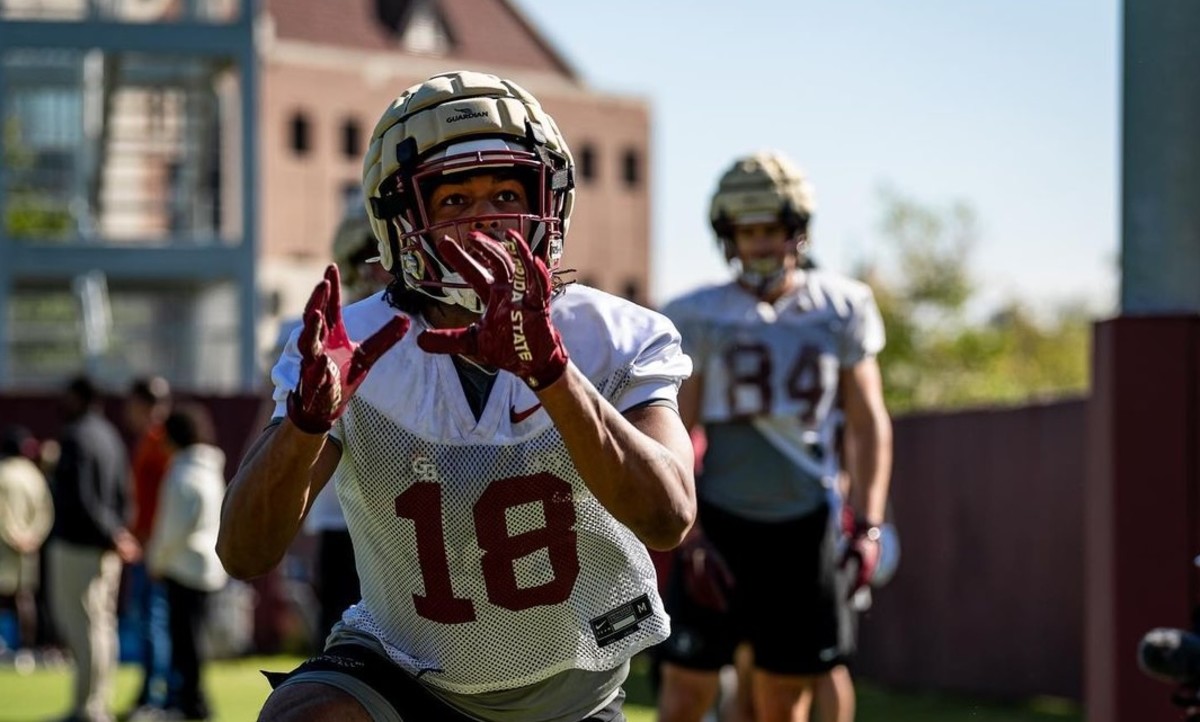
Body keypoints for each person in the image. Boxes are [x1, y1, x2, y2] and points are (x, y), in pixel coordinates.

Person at [216, 69, 697, 722]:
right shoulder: (356, 343)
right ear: (401, 221)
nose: (486, 224)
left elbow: (668, 517)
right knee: (304, 716)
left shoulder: (612, 336)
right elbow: (245, 554)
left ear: (549, 202)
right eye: (454, 202)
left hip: (575, 685)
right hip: (407, 670)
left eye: (505, 192)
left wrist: (553, 374)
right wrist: (305, 421)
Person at [655, 151, 895, 722]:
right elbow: (677, 431)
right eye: (749, 231)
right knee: (686, 690)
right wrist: (689, 537)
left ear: (798, 232)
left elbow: (868, 422)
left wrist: (867, 522)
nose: (761, 244)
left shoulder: (841, 307)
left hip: (803, 526)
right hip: (722, 522)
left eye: (773, 230)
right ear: (728, 237)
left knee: (782, 702)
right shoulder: (698, 313)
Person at [302, 193, 392, 650]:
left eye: (378, 257)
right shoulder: (326, 327)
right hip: (338, 519)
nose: (373, 270)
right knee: (339, 652)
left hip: (403, 517)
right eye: (363, 258)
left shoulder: (423, 323)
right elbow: (277, 429)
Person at [49, 375, 140, 722]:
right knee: (102, 626)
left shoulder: (75, 436)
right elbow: (124, 493)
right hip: (106, 550)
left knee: (84, 627)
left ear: (80, 397)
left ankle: (87, 708)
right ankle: (97, 703)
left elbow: (81, 498)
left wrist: (110, 534)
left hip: (79, 548)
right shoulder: (109, 436)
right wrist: (119, 533)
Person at [144, 403, 229, 721]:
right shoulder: (208, 469)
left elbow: (170, 530)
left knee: (185, 645)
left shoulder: (183, 473)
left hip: (184, 568)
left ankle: (192, 704)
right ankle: (192, 701)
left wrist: (156, 560)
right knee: (191, 643)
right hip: (207, 567)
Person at [121, 376, 174, 717]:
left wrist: (148, 538)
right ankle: (150, 691)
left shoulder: (160, 443)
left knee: (153, 620)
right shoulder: (150, 442)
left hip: (154, 546)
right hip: (147, 542)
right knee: (148, 619)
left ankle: (155, 695)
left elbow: (165, 501)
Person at [0, 425, 54, 666]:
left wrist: (14, 536)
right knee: (25, 597)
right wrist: (32, 537)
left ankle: (18, 647)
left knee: (17, 596)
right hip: (28, 547)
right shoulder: (35, 476)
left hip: (6, 546)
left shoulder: (3, 473)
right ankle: (27, 649)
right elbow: (45, 512)